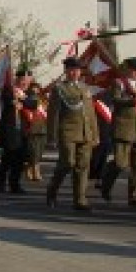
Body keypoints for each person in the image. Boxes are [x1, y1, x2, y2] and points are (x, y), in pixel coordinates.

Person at [101, 57, 136, 208]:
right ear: (128, 70)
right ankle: (106, 183)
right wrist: (132, 100)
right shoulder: (119, 83)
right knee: (120, 163)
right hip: (123, 128)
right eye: (134, 70)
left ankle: (134, 196)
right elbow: (115, 100)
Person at [46, 57, 99, 212]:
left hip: (85, 132)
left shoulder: (85, 88)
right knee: (67, 163)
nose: (75, 73)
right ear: (66, 71)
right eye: (72, 70)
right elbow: (53, 115)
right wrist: (51, 137)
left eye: (77, 70)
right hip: (67, 132)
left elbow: (91, 114)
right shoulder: (59, 89)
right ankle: (52, 190)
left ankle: (80, 199)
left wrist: (95, 134)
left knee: (83, 166)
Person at [0, 68, 31, 194]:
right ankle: (2, 183)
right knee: (7, 158)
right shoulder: (8, 90)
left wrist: (22, 101)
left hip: (23, 131)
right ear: (17, 80)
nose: (25, 83)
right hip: (10, 130)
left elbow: (33, 103)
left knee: (19, 160)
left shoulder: (27, 93)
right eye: (23, 80)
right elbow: (6, 99)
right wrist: (14, 101)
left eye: (27, 81)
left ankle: (15, 184)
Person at [21, 81, 48, 182]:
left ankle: (29, 168)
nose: (35, 90)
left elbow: (46, 112)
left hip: (42, 128)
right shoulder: (27, 99)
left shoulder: (43, 99)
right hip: (32, 128)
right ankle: (35, 171)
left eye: (37, 88)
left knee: (40, 151)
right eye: (33, 88)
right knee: (33, 151)